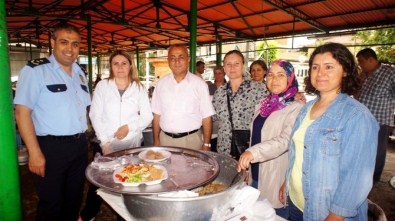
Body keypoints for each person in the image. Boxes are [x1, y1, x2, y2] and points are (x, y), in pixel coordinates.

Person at [281, 42, 379, 221]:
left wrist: (335, 216)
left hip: (326, 212)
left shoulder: (357, 116)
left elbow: (357, 178)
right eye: (315, 67)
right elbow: (298, 154)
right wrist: (286, 182)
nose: (320, 73)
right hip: (296, 204)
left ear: (346, 71)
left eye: (329, 67)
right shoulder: (306, 108)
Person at [14, 23, 91, 221]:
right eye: (64, 42)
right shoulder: (35, 71)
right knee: (51, 204)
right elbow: (22, 113)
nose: (70, 48)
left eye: (75, 44)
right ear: (52, 43)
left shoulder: (80, 72)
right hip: (50, 148)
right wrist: (34, 152)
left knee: (74, 199)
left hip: (79, 145)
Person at [80, 50, 152, 220]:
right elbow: (95, 115)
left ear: (130, 65)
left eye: (124, 63)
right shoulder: (103, 86)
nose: (120, 67)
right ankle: (88, 214)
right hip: (107, 144)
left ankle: (126, 215)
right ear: (111, 67)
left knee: (130, 180)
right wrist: (105, 143)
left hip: (132, 144)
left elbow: (147, 116)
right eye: (116, 63)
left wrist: (130, 127)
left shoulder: (138, 88)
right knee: (100, 181)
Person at [238, 60, 303, 219]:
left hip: (276, 175)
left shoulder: (296, 107)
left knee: (274, 215)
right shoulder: (263, 103)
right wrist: (248, 167)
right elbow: (256, 136)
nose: (274, 80)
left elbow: (285, 140)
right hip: (256, 172)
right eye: (271, 75)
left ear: (290, 78)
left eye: (281, 75)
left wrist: (252, 153)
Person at [151, 45, 215, 150]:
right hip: (165, 140)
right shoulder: (161, 83)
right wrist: (156, 140)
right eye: (172, 58)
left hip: (191, 141)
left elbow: (207, 117)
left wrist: (206, 144)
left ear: (188, 59)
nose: (177, 61)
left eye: (181, 57)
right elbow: (157, 115)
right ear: (168, 61)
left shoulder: (199, 84)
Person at [212, 50, 268, 157]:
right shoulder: (219, 92)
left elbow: (275, 109)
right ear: (224, 68)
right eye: (228, 64)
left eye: (236, 63)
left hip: (250, 150)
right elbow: (212, 116)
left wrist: (295, 96)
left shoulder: (259, 89)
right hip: (224, 149)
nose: (232, 67)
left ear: (243, 66)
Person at [356, 48, 395, 184]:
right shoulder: (363, 75)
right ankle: (361, 173)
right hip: (361, 120)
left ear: (371, 59)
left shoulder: (390, 73)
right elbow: (357, 92)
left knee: (377, 151)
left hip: (380, 120)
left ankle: (374, 178)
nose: (360, 64)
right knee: (362, 147)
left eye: (361, 61)